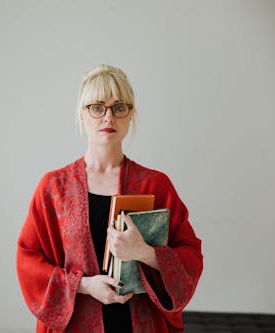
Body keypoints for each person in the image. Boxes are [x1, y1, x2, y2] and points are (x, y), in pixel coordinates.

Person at [16, 64, 203, 332]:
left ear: (130, 115)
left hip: (140, 323)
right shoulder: (54, 188)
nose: (108, 118)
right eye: (97, 107)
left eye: (119, 107)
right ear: (82, 114)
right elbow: (28, 260)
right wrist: (84, 285)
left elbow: (190, 255)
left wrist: (145, 253)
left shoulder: (155, 186)